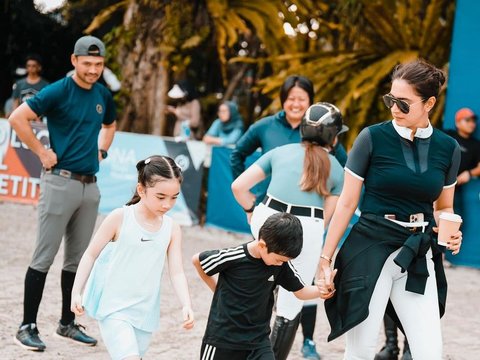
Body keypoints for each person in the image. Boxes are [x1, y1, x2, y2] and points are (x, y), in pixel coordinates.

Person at [318, 59, 462, 359]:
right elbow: (346, 202)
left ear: (429, 103)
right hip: (370, 247)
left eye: (404, 103)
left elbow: (443, 206)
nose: (394, 108)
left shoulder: (448, 148)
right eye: (390, 99)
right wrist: (325, 257)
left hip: (418, 252)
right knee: (361, 349)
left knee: (429, 352)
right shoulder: (371, 138)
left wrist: (449, 230)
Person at [9, 35, 117, 351]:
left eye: (98, 65)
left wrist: (102, 151)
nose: (93, 70)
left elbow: (109, 126)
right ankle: (26, 326)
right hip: (60, 181)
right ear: (74, 61)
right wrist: (42, 153)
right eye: (87, 64)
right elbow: (18, 118)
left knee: (78, 260)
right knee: (44, 256)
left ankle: (67, 323)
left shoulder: (103, 95)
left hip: (90, 186)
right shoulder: (59, 90)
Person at [231, 102, 346, 360]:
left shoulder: (281, 152)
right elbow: (327, 218)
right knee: (291, 303)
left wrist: (252, 211)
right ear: (332, 136)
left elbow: (238, 187)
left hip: (268, 218)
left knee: (257, 282)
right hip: (308, 227)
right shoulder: (336, 168)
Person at [71, 155, 194, 360]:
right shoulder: (120, 217)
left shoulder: (172, 228)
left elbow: (177, 272)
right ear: (141, 190)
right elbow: (90, 254)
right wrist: (76, 291)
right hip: (114, 309)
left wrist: (186, 304)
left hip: (145, 314)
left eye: (174, 197)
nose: (167, 204)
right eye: (161, 196)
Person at [192, 212, 326, 360]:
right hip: (222, 341)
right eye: (278, 259)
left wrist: (323, 289)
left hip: (258, 342)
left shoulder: (280, 264)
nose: (280, 263)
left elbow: (301, 291)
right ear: (262, 245)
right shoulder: (233, 257)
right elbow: (198, 260)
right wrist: (217, 290)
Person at [445, 108, 480, 215]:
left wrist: (469, 173)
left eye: (473, 121)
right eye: (467, 120)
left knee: (456, 220)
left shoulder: (476, 145)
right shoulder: (448, 135)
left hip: (455, 189)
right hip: (435, 183)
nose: (472, 123)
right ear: (458, 123)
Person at [11, 54, 50, 119]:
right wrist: (15, 115)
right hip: (21, 118)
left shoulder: (45, 85)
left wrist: (40, 117)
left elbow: (47, 103)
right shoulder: (19, 84)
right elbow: (15, 102)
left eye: (34, 66)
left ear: (39, 67)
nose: (31, 68)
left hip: (39, 120)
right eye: (28, 66)